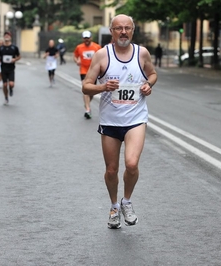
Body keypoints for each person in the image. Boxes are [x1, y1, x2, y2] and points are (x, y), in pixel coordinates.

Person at [82, 14, 157, 229]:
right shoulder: (101, 55)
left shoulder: (141, 53)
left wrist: (148, 85)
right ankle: (114, 206)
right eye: (118, 28)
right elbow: (86, 86)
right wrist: (103, 87)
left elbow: (152, 74)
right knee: (112, 170)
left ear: (133, 30)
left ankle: (127, 201)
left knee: (132, 164)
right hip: (110, 121)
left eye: (127, 28)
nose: (123, 32)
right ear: (112, 31)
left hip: (136, 118)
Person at [74, 30, 102, 119]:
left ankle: (87, 104)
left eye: (88, 38)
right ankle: (88, 109)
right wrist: (77, 60)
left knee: (92, 91)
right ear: (83, 38)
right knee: (85, 88)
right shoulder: (79, 47)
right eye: (85, 38)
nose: (86, 40)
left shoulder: (97, 47)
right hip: (84, 71)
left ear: (91, 38)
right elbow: (75, 56)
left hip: (94, 71)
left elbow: (103, 56)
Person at [0, 32, 21, 105]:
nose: (6, 36)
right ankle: (6, 97)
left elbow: (19, 56)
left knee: (11, 84)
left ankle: (11, 89)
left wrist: (14, 59)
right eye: (5, 35)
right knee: (5, 85)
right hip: (3, 68)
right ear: (4, 37)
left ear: (10, 37)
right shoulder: (1, 48)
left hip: (11, 68)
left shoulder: (14, 47)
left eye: (8, 35)